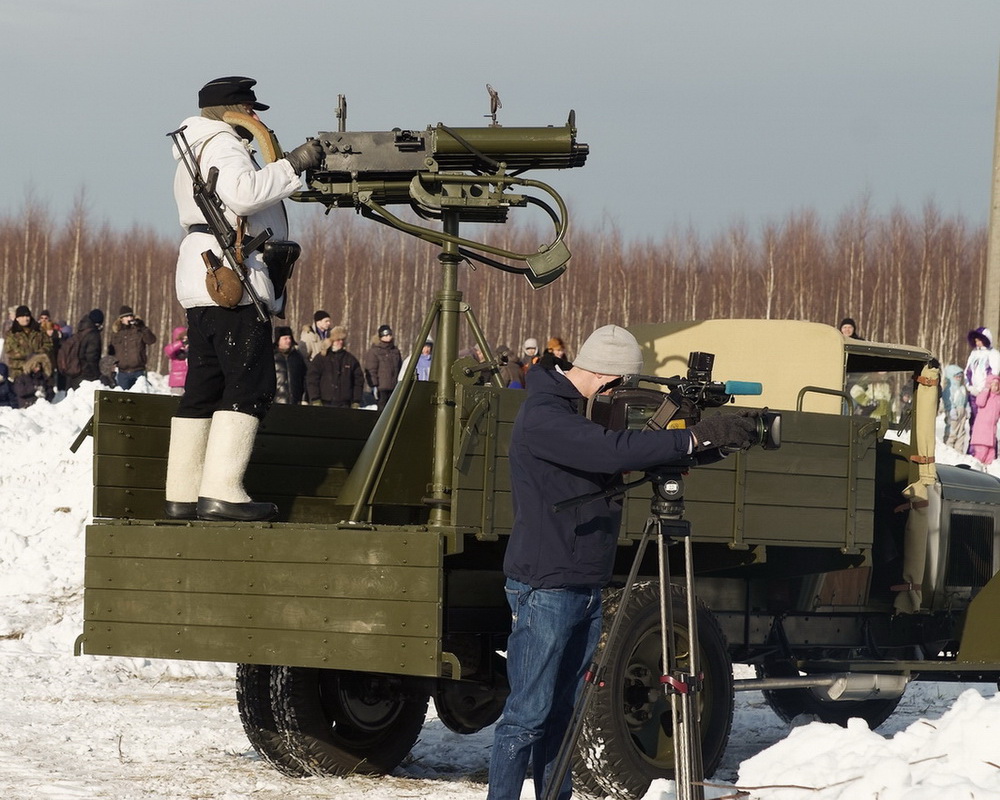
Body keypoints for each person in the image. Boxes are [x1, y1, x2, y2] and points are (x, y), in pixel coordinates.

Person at [486, 324, 760, 800]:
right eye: (624, 386)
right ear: (610, 378)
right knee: (527, 717)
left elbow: (628, 455)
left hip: (583, 580)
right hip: (547, 584)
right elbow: (611, 450)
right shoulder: (545, 415)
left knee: (565, 714)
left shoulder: (578, 412)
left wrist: (717, 442)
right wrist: (692, 438)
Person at [163, 75, 323, 522]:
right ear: (230, 113)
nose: (255, 119)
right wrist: (294, 165)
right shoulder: (224, 144)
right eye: (250, 110)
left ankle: (183, 492)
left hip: (204, 277)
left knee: (204, 388)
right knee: (249, 384)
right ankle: (221, 492)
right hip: (233, 279)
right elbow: (243, 194)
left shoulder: (195, 146)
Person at [306, 325, 364, 408]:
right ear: (331, 341)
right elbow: (312, 379)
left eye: (342, 340)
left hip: (345, 404)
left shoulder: (350, 360)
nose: (340, 342)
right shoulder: (321, 358)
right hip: (324, 403)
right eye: (337, 340)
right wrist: (315, 399)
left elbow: (358, 381)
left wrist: (356, 401)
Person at [108, 305, 157, 390]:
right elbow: (111, 353)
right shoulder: (116, 333)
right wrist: (111, 370)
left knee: (140, 398)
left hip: (138, 371)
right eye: (127, 316)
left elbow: (151, 340)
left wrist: (143, 327)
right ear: (121, 319)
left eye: (131, 316)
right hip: (122, 373)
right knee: (123, 399)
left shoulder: (138, 330)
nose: (129, 318)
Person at [964, 326, 1000, 436]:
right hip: (973, 393)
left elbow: (994, 373)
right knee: (973, 420)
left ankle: (988, 450)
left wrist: (985, 390)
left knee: (986, 422)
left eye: (980, 340)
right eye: (976, 341)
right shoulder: (974, 354)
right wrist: (969, 387)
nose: (978, 343)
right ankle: (973, 447)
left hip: (987, 394)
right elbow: (967, 371)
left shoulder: (993, 354)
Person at [5, 305, 53, 379]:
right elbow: (10, 351)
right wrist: (29, 357)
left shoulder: (39, 330)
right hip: (19, 370)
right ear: (17, 318)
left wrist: (38, 354)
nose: (26, 319)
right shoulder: (12, 333)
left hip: (39, 368)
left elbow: (48, 344)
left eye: (27, 316)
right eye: (22, 316)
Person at [363, 324, 402, 413]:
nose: (388, 337)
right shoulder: (375, 351)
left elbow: (399, 367)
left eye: (389, 335)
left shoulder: (395, 351)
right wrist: (374, 385)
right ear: (381, 337)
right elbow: (371, 369)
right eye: (385, 335)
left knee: (393, 411)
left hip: (394, 386)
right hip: (381, 387)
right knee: (382, 411)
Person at [67, 309, 104, 390]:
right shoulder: (93, 335)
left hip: (73, 371)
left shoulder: (80, 331)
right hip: (87, 375)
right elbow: (92, 357)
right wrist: (97, 374)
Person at [273, 325, 306, 405]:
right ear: (278, 340)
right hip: (276, 402)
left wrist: (304, 398)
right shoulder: (271, 357)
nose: (288, 341)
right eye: (285, 338)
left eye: (289, 338)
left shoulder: (297, 357)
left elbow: (304, 378)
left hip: (295, 402)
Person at [971, 376, 1000, 464]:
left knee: (990, 457)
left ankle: (987, 474)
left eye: (997, 385)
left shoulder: (998, 398)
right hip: (981, 433)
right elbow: (979, 402)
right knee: (980, 455)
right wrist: (986, 389)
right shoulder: (985, 396)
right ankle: (977, 472)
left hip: (991, 435)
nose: (995, 387)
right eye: (993, 385)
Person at [941, 364, 970, 453]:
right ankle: (948, 449)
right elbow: (947, 400)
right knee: (952, 431)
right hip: (953, 412)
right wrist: (951, 409)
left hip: (962, 412)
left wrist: (967, 409)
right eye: (957, 376)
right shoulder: (948, 389)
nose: (959, 378)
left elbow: (965, 400)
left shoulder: (962, 388)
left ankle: (959, 451)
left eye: (960, 376)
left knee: (961, 432)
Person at [163, 326, 189, 394]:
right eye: (183, 337)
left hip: (190, 382)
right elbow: (168, 350)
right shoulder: (175, 350)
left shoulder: (190, 348)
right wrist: (181, 343)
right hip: (177, 383)